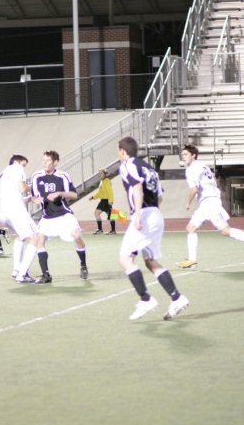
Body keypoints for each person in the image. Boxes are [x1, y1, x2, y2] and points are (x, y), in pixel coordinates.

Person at [117, 136, 189, 320]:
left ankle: (146, 299)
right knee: (150, 261)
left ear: (123, 151)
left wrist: (139, 214)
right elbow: (160, 196)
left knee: (125, 258)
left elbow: (137, 187)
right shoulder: (149, 168)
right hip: (156, 214)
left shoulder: (126, 165)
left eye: (119, 151)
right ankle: (177, 297)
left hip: (145, 216)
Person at [177, 144, 244, 268]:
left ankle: (192, 260)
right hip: (210, 201)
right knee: (191, 228)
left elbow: (194, 189)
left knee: (225, 231)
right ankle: (192, 260)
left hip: (209, 203)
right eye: (182, 155)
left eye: (186, 155)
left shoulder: (191, 169)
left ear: (193, 155)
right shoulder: (203, 166)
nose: (183, 157)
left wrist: (187, 203)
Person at [30, 150, 88, 283]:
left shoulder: (63, 176)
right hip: (47, 217)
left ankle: (83, 265)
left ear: (55, 162)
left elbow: (74, 195)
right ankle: (46, 275)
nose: (44, 163)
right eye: (43, 160)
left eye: (48, 160)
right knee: (39, 240)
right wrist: (34, 199)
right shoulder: (36, 177)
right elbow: (35, 196)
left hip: (64, 214)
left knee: (77, 236)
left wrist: (59, 193)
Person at [0, 154, 39, 283]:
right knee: (36, 238)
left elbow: (12, 197)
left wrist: (29, 198)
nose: (24, 167)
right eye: (24, 164)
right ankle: (23, 274)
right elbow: (23, 188)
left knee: (22, 236)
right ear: (17, 162)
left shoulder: (2, 175)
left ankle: (16, 269)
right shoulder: (17, 168)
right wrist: (36, 187)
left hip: (3, 213)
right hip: (15, 211)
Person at [89, 169, 116, 234]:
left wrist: (111, 201)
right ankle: (112, 230)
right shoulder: (102, 181)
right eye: (99, 173)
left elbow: (110, 192)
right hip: (103, 200)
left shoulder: (106, 181)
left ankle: (101, 230)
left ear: (104, 174)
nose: (99, 175)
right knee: (110, 215)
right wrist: (93, 197)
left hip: (106, 201)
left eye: (100, 173)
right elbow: (99, 193)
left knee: (97, 214)